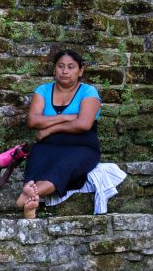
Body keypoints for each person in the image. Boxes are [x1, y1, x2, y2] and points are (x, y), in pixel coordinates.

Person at [17, 49, 102, 219]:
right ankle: (30, 202)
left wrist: (50, 128)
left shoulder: (88, 92)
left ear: (80, 70)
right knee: (38, 159)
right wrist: (65, 117)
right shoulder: (43, 90)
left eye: (71, 67)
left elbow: (84, 124)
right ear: (54, 69)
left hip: (82, 146)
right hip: (48, 145)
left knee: (63, 166)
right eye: (60, 66)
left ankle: (27, 197)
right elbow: (33, 121)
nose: (65, 71)